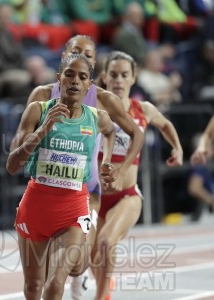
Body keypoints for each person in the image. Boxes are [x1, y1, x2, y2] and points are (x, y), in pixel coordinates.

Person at [26, 35, 144, 299]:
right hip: (45, 190)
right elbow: (24, 142)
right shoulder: (42, 96)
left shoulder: (103, 100)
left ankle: (79, 282)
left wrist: (118, 168)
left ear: (93, 67)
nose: (82, 57)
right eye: (76, 52)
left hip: (87, 193)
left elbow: (135, 134)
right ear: (64, 57)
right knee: (41, 278)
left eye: (88, 55)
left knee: (78, 260)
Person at [6, 53, 117, 299]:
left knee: (56, 282)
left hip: (74, 209)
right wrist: (42, 131)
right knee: (34, 287)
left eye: (82, 77)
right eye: (69, 74)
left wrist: (107, 160)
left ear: (90, 85)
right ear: (59, 79)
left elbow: (111, 133)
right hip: (36, 207)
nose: (75, 81)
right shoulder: (38, 110)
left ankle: (82, 265)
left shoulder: (97, 118)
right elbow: (12, 165)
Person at [94, 51, 183, 299]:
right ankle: (104, 286)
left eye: (124, 75)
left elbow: (165, 124)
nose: (119, 80)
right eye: (113, 75)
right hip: (94, 196)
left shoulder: (142, 109)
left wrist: (177, 147)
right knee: (88, 257)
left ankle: (101, 297)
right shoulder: (94, 108)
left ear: (134, 78)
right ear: (104, 77)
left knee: (106, 242)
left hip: (126, 196)